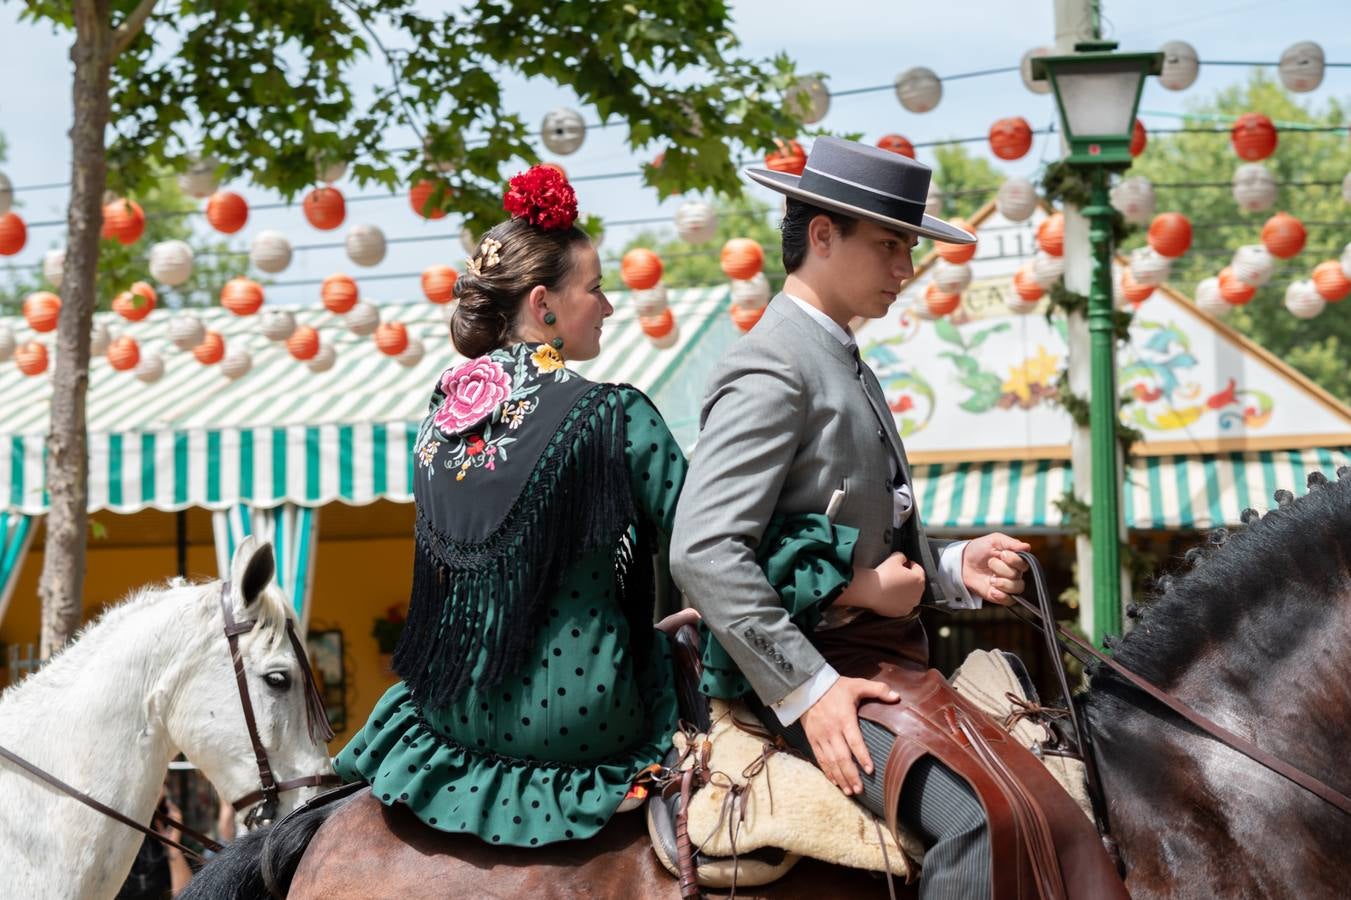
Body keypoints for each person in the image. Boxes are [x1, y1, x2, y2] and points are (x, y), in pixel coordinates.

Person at [670, 137, 1033, 898]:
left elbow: (857, 541)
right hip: (817, 680)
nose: (906, 269)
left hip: (882, 660)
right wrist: (809, 690)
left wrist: (949, 566)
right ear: (822, 236)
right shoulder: (773, 362)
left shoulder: (838, 356)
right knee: (974, 821)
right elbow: (704, 550)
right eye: (890, 245)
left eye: (909, 247)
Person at [333, 166, 688, 848]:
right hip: (579, 720)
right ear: (542, 303)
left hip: (450, 711)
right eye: (595, 289)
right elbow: (708, 543)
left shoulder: (439, 416)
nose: (609, 307)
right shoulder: (611, 414)